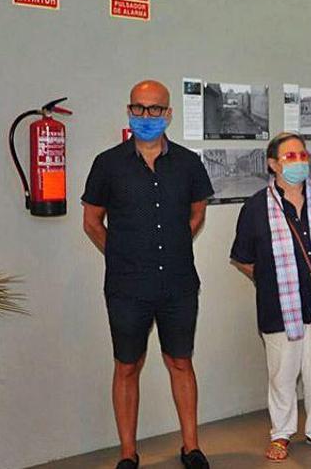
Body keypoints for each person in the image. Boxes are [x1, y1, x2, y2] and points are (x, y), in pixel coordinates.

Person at [82, 80, 214, 469]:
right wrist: (124, 255)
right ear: (128, 111)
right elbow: (91, 221)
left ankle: (191, 447)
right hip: (126, 287)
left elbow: (198, 213)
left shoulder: (189, 163)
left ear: (168, 114)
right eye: (138, 108)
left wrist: (172, 247)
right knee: (126, 366)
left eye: (154, 109)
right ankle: (127, 452)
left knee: (181, 362)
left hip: (178, 284)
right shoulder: (107, 164)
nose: (146, 116)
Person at [229, 132, 311, 463]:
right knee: (282, 374)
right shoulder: (256, 206)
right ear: (273, 164)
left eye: (302, 155)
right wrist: (270, 280)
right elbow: (241, 256)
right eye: (290, 156)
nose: (298, 162)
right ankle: (281, 433)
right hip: (280, 305)